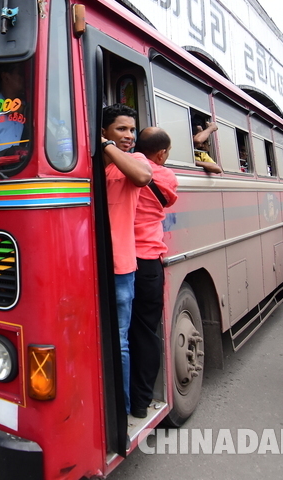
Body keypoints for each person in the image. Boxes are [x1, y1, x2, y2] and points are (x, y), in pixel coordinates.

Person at [100, 104, 152, 413]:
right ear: (104, 128)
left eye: (132, 130)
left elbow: (143, 177)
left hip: (121, 266)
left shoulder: (134, 160)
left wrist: (106, 144)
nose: (129, 136)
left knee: (118, 341)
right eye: (121, 129)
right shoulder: (90, 164)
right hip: (90, 266)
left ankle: (121, 409)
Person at [129, 127, 178, 418]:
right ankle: (141, 401)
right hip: (148, 260)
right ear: (161, 153)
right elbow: (169, 201)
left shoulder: (120, 166)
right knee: (147, 332)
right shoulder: (166, 176)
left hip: (120, 260)